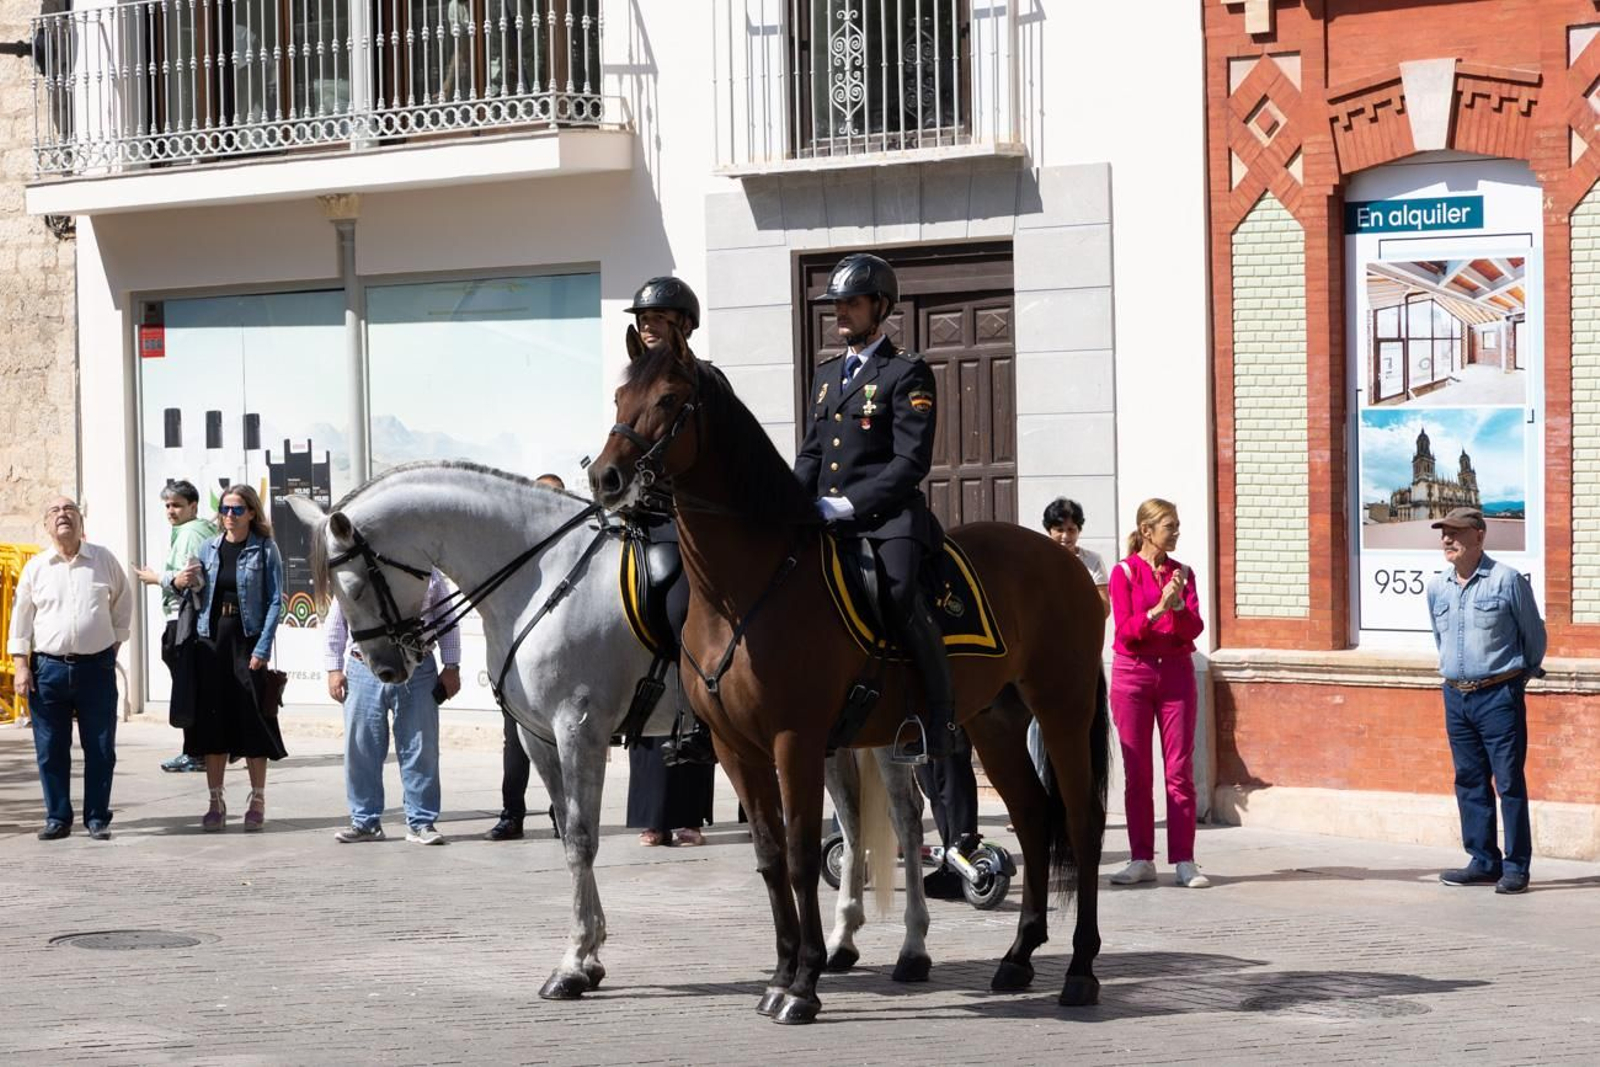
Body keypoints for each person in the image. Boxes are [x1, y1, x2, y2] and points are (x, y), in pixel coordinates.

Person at [793, 252, 956, 770]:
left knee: (899, 594)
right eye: (836, 304)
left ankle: (937, 719)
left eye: (851, 303)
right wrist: (790, 502)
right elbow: (813, 454)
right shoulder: (825, 377)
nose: (840, 312)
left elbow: (911, 462)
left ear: (880, 306)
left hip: (889, 521)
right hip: (826, 520)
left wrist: (845, 504)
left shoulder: (908, 373)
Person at [1426, 507, 1546, 895]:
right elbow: (1440, 639)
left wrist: (1516, 679)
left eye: (1457, 533)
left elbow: (1534, 636)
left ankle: (1516, 866)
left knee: (1509, 782)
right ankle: (1483, 860)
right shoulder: (1438, 587)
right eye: (1444, 532)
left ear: (1480, 535)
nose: (1447, 539)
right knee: (1469, 780)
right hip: (1455, 697)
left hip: (1499, 695)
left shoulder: (1506, 581)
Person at [8, 496, 132, 841]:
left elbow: (123, 601)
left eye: (70, 511)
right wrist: (21, 666)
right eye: (55, 512)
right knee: (50, 749)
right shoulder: (36, 567)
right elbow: (21, 620)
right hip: (48, 671)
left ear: (81, 521)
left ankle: (97, 818)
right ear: (47, 525)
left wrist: (114, 643)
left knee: (101, 747)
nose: (63, 516)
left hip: (96, 669)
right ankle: (58, 817)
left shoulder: (103, 559)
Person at [1106, 498, 1208, 888]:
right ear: (1148, 531)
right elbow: (1127, 632)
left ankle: (1184, 859)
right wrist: (1157, 609)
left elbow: (1192, 629)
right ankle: (1141, 858)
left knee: (1179, 771)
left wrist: (1177, 605)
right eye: (1170, 526)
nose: (1177, 532)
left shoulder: (1182, 572)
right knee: (1138, 772)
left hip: (1177, 675)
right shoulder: (1124, 573)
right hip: (1133, 676)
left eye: (1178, 525)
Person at [327, 569, 460, 845]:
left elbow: (446, 617)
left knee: (420, 747)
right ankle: (365, 822)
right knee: (361, 748)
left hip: (418, 665)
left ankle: (421, 822)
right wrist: (333, 667)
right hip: (363, 666)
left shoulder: (427, 573)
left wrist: (452, 665)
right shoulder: (357, 569)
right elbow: (338, 618)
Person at [186, 485, 287, 832]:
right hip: (211, 640)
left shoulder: (265, 549)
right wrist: (179, 580)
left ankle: (257, 799)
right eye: (226, 509)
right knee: (213, 723)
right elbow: (194, 589)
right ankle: (215, 800)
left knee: (253, 721)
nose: (230, 515)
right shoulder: (207, 547)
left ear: (252, 513)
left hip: (247, 640)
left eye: (238, 509)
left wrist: (262, 648)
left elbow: (276, 600)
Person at [486, 472, 567, 842]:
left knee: (564, 743)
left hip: (562, 663)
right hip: (519, 664)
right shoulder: (513, 549)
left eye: (556, 497)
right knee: (514, 741)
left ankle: (561, 814)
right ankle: (511, 815)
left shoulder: (574, 546)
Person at [134, 480, 216, 773]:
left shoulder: (192, 532)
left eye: (177, 505)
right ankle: (209, 748)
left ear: (193, 506)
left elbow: (190, 579)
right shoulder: (195, 530)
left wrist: (157, 578)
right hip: (188, 620)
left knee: (188, 689)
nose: (171, 511)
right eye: (168, 505)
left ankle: (196, 752)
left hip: (185, 621)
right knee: (195, 688)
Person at [1029, 497, 1111, 783]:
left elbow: (1104, 608)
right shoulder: (1036, 558)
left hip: (1080, 656)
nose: (1065, 536)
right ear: (1048, 530)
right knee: (1037, 729)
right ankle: (1041, 791)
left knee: (1081, 725)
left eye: (1072, 529)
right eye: (1059, 529)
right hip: (1044, 658)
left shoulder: (1091, 561)